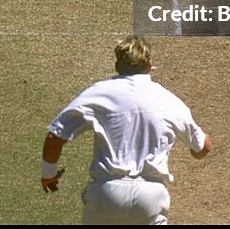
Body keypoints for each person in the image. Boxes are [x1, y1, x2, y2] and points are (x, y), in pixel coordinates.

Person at [40, 36, 212, 225]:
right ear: (149, 65)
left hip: (106, 195)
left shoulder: (99, 92)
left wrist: (48, 175)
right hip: (150, 198)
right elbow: (202, 148)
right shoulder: (167, 99)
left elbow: (54, 137)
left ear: (117, 65)